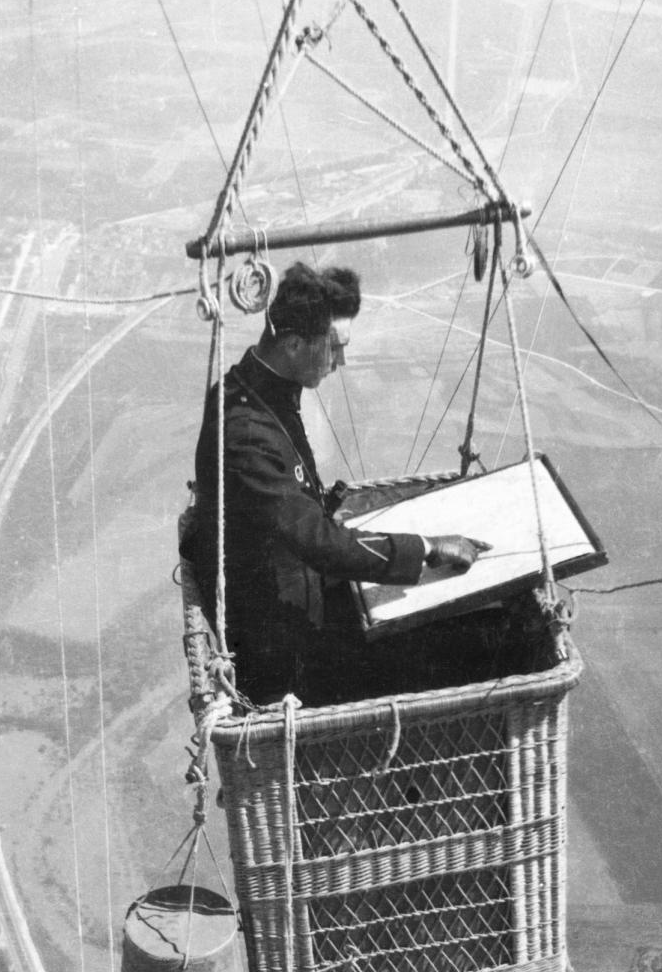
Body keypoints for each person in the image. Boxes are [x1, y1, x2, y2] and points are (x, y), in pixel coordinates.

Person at [181, 260, 488, 706]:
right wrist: (425, 547)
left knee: (464, 626)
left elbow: (298, 510)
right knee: (470, 645)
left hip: (301, 601)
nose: (341, 361)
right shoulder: (246, 430)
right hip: (284, 651)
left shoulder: (260, 390)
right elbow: (316, 541)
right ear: (292, 343)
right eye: (334, 347)